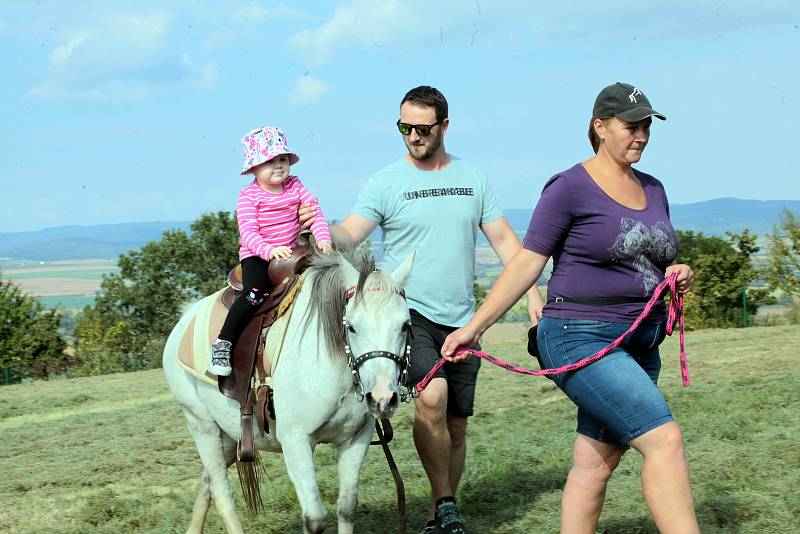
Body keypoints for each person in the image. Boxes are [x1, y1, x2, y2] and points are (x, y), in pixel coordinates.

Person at [441, 82, 700, 534]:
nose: (639, 135)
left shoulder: (654, 188)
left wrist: (677, 270)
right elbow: (526, 261)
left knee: (595, 463)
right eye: (629, 126)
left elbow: (651, 256)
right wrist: (474, 327)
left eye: (645, 127)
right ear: (600, 127)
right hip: (578, 335)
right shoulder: (569, 187)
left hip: (640, 340)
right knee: (665, 440)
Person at [302, 85, 543, 534]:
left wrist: (531, 294)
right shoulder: (386, 182)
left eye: (422, 128)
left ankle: (439, 514)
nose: (413, 136)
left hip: (467, 317)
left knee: (456, 422)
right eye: (404, 128)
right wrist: (312, 228)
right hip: (409, 316)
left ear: (444, 126)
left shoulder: (474, 178)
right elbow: (350, 233)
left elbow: (508, 243)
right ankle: (445, 502)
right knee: (432, 400)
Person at [210, 126, 332, 376]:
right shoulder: (248, 196)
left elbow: (314, 212)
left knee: (324, 281)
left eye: (282, 159)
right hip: (258, 255)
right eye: (269, 161)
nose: (278, 165)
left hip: (292, 252)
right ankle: (224, 341)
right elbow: (249, 234)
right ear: (254, 168)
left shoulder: (296, 186)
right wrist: (269, 250)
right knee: (254, 294)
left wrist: (323, 239)